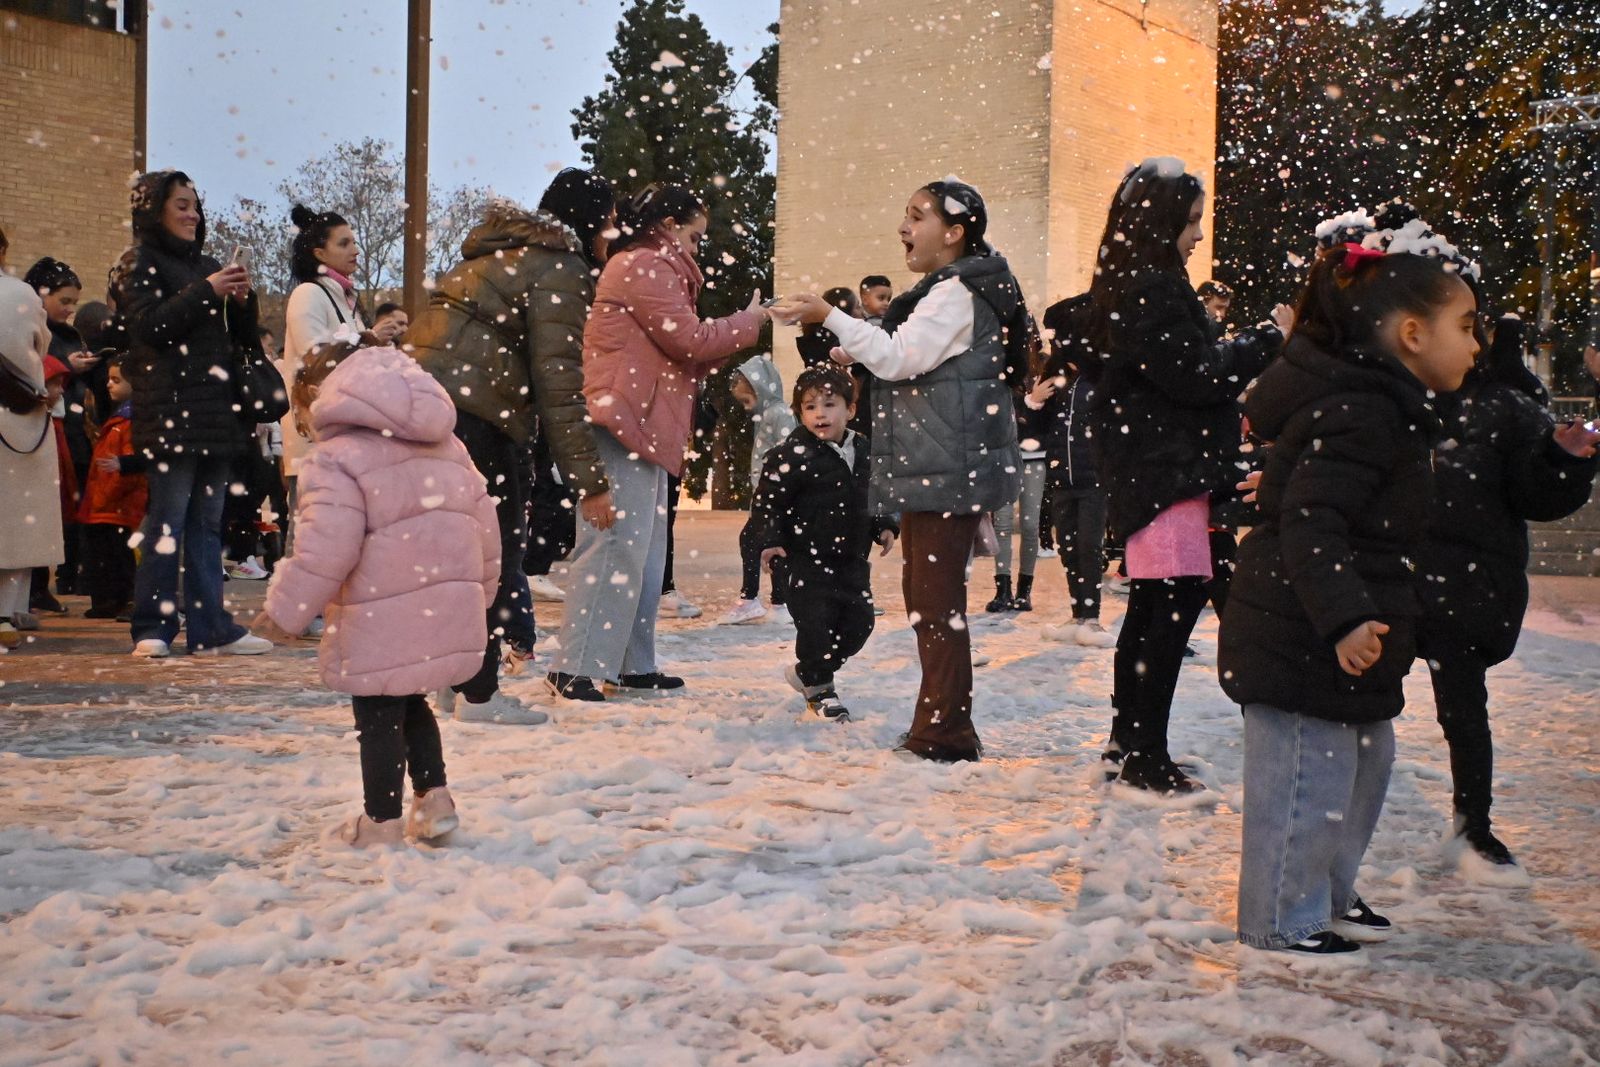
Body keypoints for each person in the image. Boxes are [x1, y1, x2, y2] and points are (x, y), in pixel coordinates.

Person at [1220, 208, 1482, 955]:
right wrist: (1343, 618)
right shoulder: (1365, 410)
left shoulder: (1390, 408)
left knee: (1361, 768)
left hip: (1337, 632)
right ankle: (1279, 915)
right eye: (1464, 324)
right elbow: (1312, 519)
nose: (1475, 342)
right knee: (1305, 779)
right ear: (1411, 334)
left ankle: (1325, 895)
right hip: (1303, 632)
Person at [773, 176, 1026, 763]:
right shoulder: (958, 287)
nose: (904, 226)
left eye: (918, 216)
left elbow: (900, 357)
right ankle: (938, 725)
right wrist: (855, 346)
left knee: (935, 605)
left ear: (955, 231)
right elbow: (905, 353)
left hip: (945, 469)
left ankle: (943, 735)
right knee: (930, 601)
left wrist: (832, 317)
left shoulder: (958, 290)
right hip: (940, 466)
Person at [1080, 158, 1288, 795]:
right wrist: (1265, 339)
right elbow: (1199, 376)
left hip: (1157, 474)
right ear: (1162, 219)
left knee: (1150, 612)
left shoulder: (1132, 281)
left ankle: (1129, 743)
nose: (1199, 235)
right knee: (1165, 615)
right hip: (1166, 476)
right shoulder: (1154, 286)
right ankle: (1145, 756)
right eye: (1191, 221)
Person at [257, 344, 499, 847]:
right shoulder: (448, 444)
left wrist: (286, 611)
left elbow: (326, 548)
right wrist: (480, 592)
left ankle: (381, 822)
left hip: (378, 610)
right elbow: (486, 524)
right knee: (411, 699)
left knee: (378, 712)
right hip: (442, 602)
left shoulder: (336, 458)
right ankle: (434, 800)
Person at [410, 169, 620, 718]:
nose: (614, 235)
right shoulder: (560, 267)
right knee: (492, 550)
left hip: (430, 410)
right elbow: (559, 384)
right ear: (589, 220)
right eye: (612, 222)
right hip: (481, 419)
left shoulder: (495, 256)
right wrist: (590, 484)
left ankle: (449, 680)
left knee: (452, 554)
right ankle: (478, 692)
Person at [548, 183, 769, 701]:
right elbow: (688, 339)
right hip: (623, 420)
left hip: (640, 421)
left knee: (642, 553)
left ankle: (630, 662)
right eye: (695, 236)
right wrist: (751, 321)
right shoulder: (645, 264)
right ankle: (576, 665)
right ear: (670, 226)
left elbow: (684, 345)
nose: (698, 248)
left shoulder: (652, 266)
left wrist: (738, 326)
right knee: (612, 549)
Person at [1416, 312, 1599, 883]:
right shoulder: (1391, 387)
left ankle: (1473, 825)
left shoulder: (1503, 403)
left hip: (1462, 585)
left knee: (1464, 712)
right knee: (1356, 705)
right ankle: (1336, 819)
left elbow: (1535, 494)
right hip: (1389, 574)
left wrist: (1565, 460)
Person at [110, 170, 272, 658]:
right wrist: (209, 290)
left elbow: (238, 339)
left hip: (215, 413)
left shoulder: (203, 265)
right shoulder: (136, 263)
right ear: (153, 209)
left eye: (195, 206)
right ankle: (153, 626)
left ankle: (212, 627)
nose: (192, 215)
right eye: (181, 205)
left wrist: (242, 303)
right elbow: (149, 327)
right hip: (170, 413)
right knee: (168, 521)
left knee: (206, 523)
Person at [756, 365, 897, 720]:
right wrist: (771, 541)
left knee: (860, 623)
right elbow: (767, 504)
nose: (820, 413)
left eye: (830, 404)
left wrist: (885, 524)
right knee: (816, 625)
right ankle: (820, 687)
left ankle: (808, 672)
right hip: (804, 560)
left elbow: (877, 494)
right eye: (810, 406)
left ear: (849, 410)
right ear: (799, 413)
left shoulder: (864, 449)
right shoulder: (789, 457)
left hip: (851, 558)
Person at [1036, 295, 1116, 648]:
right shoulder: (1056, 375)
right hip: (1062, 478)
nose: (1054, 342)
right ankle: (1078, 613)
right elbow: (1036, 426)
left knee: (1089, 545)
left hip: (1093, 479)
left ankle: (1092, 616)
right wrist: (1034, 401)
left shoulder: (1101, 377)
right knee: (1068, 545)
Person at [23, 257, 89, 606]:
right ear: (40, 294)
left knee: (57, 511)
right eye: (64, 301)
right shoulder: (28, 325)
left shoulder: (67, 334)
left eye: (73, 303)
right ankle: (29, 587)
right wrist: (67, 368)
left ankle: (39, 584)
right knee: (31, 508)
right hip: (35, 430)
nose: (69, 309)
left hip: (70, 433)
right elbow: (29, 370)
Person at [0, 276, 60, 650]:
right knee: (17, 519)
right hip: (18, 414)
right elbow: (42, 342)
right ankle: (8, 610)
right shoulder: (19, 292)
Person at [721, 353, 797, 625]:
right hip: (768, 495)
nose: (745, 408)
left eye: (747, 401)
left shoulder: (778, 414)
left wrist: (775, 490)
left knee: (761, 541)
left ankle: (760, 599)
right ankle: (772, 601)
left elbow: (786, 453)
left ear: (761, 390)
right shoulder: (768, 414)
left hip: (776, 496)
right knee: (764, 542)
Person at [78, 356, 146, 619]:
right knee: (106, 556)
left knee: (123, 557)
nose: (109, 385)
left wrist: (111, 492)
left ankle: (128, 599)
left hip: (120, 503)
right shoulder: (118, 419)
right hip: (105, 503)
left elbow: (131, 467)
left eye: (116, 380)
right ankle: (109, 600)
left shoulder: (131, 421)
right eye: (109, 379)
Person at [988, 313, 1047, 613]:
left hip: (1035, 456)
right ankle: (1003, 589)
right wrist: (1026, 403)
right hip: (1004, 455)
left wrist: (1031, 404)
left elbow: (1046, 419)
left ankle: (1025, 589)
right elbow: (995, 412)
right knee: (1001, 524)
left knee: (1029, 524)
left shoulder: (1046, 366)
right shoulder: (997, 366)